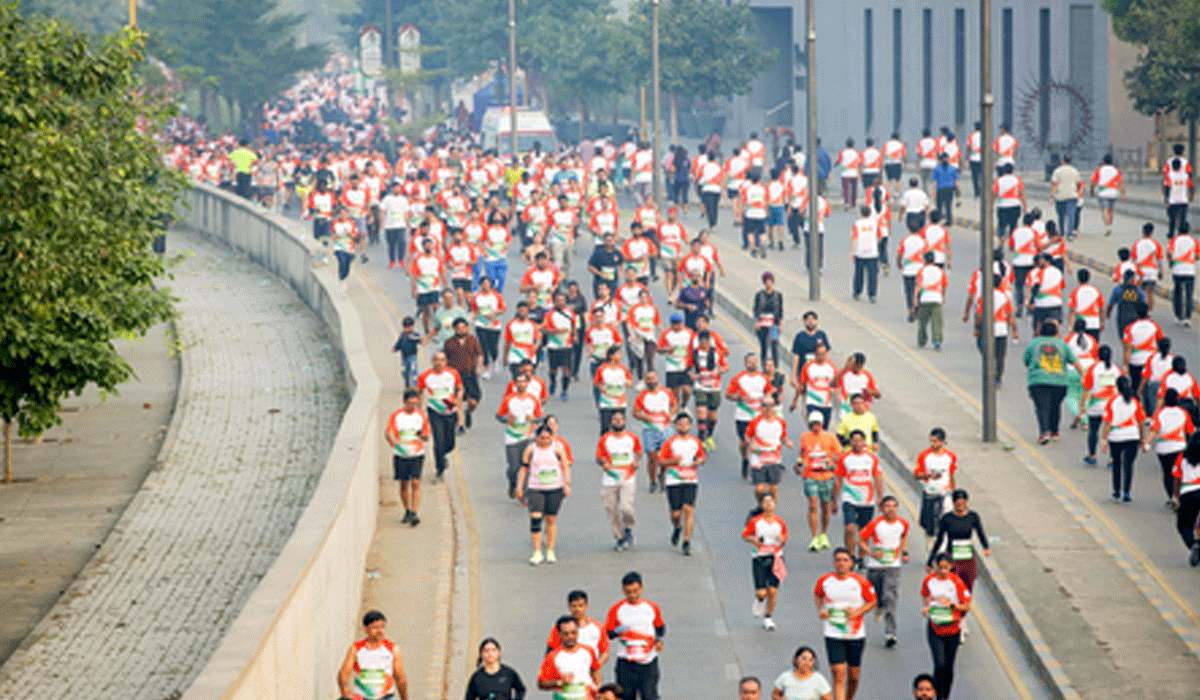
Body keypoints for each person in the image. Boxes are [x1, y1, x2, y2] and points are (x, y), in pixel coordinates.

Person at [926, 488, 990, 643]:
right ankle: (956, 623)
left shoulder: (973, 517)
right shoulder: (947, 519)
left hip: (968, 560)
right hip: (952, 560)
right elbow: (940, 539)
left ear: (967, 503)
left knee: (966, 592)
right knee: (954, 590)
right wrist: (931, 560)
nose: (960, 506)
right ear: (953, 503)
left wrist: (986, 547)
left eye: (963, 503)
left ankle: (963, 619)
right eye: (957, 503)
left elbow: (980, 532)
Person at [813, 548, 877, 700]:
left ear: (851, 563)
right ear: (834, 562)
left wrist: (858, 611)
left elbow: (873, 601)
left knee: (853, 676)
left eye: (845, 560)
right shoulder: (825, 580)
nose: (841, 563)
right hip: (833, 632)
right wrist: (821, 609)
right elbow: (817, 594)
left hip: (855, 634)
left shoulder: (860, 581)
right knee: (838, 672)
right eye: (838, 560)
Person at [604, 571, 666, 700]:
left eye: (635, 591)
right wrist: (616, 633)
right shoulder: (616, 609)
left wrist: (659, 640)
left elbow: (660, 628)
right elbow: (608, 633)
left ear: (641, 588)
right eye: (628, 592)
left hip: (648, 663)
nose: (632, 595)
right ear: (623, 590)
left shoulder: (651, 607)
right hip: (626, 663)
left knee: (650, 697)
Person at [516, 425, 572, 565]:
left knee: (550, 520)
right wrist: (519, 487)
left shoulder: (557, 449)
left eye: (548, 438)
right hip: (535, 488)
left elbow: (565, 466)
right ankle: (537, 552)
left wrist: (567, 484)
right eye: (542, 438)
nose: (545, 441)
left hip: (554, 488)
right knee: (535, 518)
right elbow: (523, 469)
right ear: (537, 437)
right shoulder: (531, 450)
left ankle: (550, 550)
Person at [921, 554, 972, 700]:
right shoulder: (929, 580)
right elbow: (925, 594)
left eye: (945, 567)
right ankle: (938, 695)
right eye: (940, 567)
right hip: (935, 629)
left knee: (948, 667)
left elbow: (966, 606)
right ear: (936, 566)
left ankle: (945, 696)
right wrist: (926, 607)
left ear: (951, 566)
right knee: (939, 665)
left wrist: (952, 605)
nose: (942, 570)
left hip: (953, 630)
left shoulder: (956, 582)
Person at [1023, 321, 1083, 445]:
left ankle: (1044, 432)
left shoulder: (1033, 344)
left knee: (1042, 407)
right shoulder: (1062, 345)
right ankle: (1055, 431)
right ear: (1056, 332)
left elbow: (1026, 362)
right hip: (1060, 381)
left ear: (1040, 332)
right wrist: (1085, 376)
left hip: (1038, 381)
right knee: (1055, 406)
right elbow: (1075, 362)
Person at [860, 495, 908, 648]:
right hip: (875, 566)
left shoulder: (903, 524)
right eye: (887, 506)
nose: (891, 509)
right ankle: (879, 605)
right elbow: (861, 541)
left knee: (891, 597)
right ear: (881, 508)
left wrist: (904, 551)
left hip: (893, 566)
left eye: (894, 506)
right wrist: (871, 553)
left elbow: (903, 536)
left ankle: (890, 633)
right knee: (876, 595)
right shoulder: (875, 524)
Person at [833, 431, 882, 566]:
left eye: (859, 440)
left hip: (867, 499)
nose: (857, 443)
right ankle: (851, 556)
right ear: (850, 442)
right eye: (854, 440)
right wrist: (834, 501)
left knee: (864, 531)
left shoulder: (871, 458)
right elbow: (838, 480)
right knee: (849, 528)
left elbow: (877, 477)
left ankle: (861, 557)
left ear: (864, 442)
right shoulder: (844, 458)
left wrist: (880, 496)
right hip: (849, 498)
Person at [659, 412, 705, 555]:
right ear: (675, 426)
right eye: (680, 424)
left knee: (688, 509)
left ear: (690, 425)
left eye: (686, 424)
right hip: (674, 480)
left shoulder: (695, 442)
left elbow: (702, 457)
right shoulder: (670, 442)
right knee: (676, 513)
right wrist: (673, 461)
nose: (683, 426)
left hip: (690, 479)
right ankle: (677, 528)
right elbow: (661, 461)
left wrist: (699, 461)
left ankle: (686, 541)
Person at [597, 411, 642, 551]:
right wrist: (603, 463)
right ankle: (620, 538)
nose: (618, 422)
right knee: (612, 511)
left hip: (627, 478)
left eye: (620, 419)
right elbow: (599, 457)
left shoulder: (631, 438)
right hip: (610, 479)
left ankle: (628, 528)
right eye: (615, 420)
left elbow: (638, 452)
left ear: (624, 421)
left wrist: (635, 461)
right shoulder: (605, 439)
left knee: (625, 507)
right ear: (611, 422)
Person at [338, 610, 408, 700]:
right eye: (375, 627)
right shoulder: (356, 649)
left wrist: (404, 698)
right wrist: (343, 687)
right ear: (365, 628)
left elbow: (400, 678)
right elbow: (344, 672)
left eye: (382, 627)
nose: (380, 631)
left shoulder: (393, 649)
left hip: (386, 697)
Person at [743, 493, 788, 631]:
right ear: (761, 505)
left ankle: (768, 617)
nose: (769, 504)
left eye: (771, 502)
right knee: (762, 592)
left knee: (773, 591)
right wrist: (754, 541)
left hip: (776, 558)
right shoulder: (756, 521)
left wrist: (782, 540)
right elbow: (745, 535)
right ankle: (760, 599)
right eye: (766, 502)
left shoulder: (780, 523)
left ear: (775, 504)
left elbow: (784, 540)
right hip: (759, 558)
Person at [797, 411, 841, 551]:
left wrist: (833, 465)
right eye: (812, 424)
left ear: (822, 424)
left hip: (826, 476)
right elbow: (802, 451)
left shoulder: (830, 437)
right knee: (813, 505)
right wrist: (799, 463)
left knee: (825, 506)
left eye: (817, 424)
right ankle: (814, 537)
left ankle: (823, 534)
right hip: (810, 475)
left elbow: (840, 455)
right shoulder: (805, 436)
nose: (815, 427)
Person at [386, 388, 431, 527]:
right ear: (404, 402)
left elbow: (426, 436)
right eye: (410, 403)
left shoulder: (421, 416)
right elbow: (388, 433)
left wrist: (421, 435)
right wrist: (393, 444)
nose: (412, 406)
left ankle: (414, 512)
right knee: (404, 484)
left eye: (415, 403)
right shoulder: (396, 416)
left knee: (416, 483)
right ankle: (407, 509)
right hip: (401, 455)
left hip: (417, 454)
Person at [418, 351, 464, 482]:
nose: (439, 362)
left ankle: (442, 457)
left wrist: (459, 398)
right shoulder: (425, 376)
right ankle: (439, 471)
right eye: (437, 359)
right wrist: (420, 409)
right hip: (434, 412)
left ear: (446, 362)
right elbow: (420, 391)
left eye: (442, 360)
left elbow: (460, 388)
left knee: (450, 443)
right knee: (438, 442)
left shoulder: (453, 374)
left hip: (450, 411)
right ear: (432, 361)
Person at [497, 374, 545, 499]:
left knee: (526, 466)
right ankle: (512, 484)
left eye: (523, 382)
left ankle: (523, 492)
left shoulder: (533, 400)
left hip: (528, 437)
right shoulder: (509, 399)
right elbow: (498, 415)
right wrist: (507, 420)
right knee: (513, 468)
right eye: (518, 382)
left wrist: (533, 419)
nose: (521, 384)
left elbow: (541, 417)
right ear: (515, 384)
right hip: (512, 438)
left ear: (527, 384)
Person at [1101, 375, 1147, 503]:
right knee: (1129, 465)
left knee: (1117, 464)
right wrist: (1142, 439)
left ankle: (1116, 492)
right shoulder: (1135, 402)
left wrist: (1104, 440)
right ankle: (1127, 493)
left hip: (1115, 438)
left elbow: (1107, 423)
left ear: (1117, 387)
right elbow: (1141, 422)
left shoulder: (1112, 401)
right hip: (1132, 436)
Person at [728, 353, 773, 480]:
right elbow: (728, 394)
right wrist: (738, 398)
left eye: (754, 361)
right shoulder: (738, 378)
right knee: (744, 443)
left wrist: (767, 402)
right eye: (750, 361)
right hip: (743, 416)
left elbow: (768, 391)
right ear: (745, 363)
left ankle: (756, 467)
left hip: (758, 417)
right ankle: (745, 459)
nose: (753, 363)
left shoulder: (763, 378)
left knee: (756, 442)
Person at [1146, 388, 1195, 507]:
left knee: (1167, 473)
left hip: (1163, 450)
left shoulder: (1160, 413)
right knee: (1179, 474)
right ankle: (1178, 496)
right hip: (1179, 448)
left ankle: (1170, 497)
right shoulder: (1183, 413)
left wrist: (1146, 443)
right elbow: (1190, 431)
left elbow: (1154, 430)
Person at [633, 371, 677, 494]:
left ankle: (662, 475)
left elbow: (674, 405)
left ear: (657, 378)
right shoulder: (642, 396)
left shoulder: (666, 392)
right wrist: (645, 417)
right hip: (650, 430)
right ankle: (653, 481)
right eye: (648, 379)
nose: (651, 380)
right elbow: (635, 412)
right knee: (652, 457)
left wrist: (671, 414)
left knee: (665, 456)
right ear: (646, 381)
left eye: (652, 378)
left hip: (665, 429)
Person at [538, 616, 601, 699]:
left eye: (573, 632)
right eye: (566, 634)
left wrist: (598, 686)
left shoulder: (588, 651)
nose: (570, 636)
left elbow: (595, 669)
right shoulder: (552, 656)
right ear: (559, 634)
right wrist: (560, 682)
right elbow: (541, 683)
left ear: (578, 631)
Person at [744, 396, 794, 501]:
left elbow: (783, 438)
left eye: (771, 405)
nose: (768, 408)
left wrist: (787, 443)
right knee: (759, 489)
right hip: (759, 460)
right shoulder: (755, 422)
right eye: (765, 405)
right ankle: (762, 506)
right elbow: (747, 436)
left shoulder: (780, 422)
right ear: (761, 407)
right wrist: (751, 444)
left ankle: (771, 510)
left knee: (773, 489)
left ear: (775, 407)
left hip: (774, 460)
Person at [546, 590, 611, 666]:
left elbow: (605, 652)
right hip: (567, 672)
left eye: (580, 606)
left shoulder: (598, 627)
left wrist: (596, 666)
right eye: (574, 606)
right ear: (569, 606)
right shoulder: (561, 627)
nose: (577, 609)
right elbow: (550, 651)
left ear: (586, 606)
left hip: (590, 674)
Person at [913, 428, 956, 542]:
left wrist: (954, 493)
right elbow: (916, 475)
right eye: (931, 441)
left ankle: (944, 554)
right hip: (930, 495)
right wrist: (928, 476)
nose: (933, 444)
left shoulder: (950, 456)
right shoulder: (924, 455)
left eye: (935, 441)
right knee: (929, 529)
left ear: (943, 441)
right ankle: (932, 553)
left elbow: (951, 474)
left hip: (945, 494)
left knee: (946, 525)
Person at [792, 340, 837, 428]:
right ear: (815, 354)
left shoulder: (831, 367)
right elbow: (801, 385)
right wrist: (795, 400)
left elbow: (835, 385)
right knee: (814, 429)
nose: (822, 356)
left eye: (824, 353)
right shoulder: (808, 367)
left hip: (826, 404)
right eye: (819, 354)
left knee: (824, 431)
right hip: (812, 403)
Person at [544, 292, 579, 401]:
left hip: (566, 346)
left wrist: (575, 336)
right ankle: (553, 381)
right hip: (553, 346)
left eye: (563, 300)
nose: (561, 302)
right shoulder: (549, 314)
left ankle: (564, 391)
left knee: (566, 370)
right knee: (553, 370)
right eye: (558, 300)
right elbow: (545, 330)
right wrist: (558, 331)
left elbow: (574, 326)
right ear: (554, 302)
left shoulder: (571, 313)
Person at [1173, 433, 1200, 566]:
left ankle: (1193, 545)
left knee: (1183, 525)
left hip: (1188, 494)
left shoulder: (1183, 456)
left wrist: (1176, 496)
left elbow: (1177, 477)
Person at [911, 251, 947, 350]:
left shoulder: (921, 271)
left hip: (925, 299)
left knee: (922, 322)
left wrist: (915, 299)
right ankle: (937, 341)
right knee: (937, 322)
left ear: (925, 260)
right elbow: (944, 286)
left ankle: (921, 341)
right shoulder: (940, 271)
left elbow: (918, 285)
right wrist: (943, 296)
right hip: (937, 299)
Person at [472, 276, 507, 378]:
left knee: (493, 348)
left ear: (490, 285)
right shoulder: (476, 296)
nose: (486, 286)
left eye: (487, 283)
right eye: (483, 284)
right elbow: (474, 309)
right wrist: (475, 315)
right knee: (483, 348)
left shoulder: (497, 296)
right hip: (481, 324)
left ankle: (495, 360)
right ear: (480, 285)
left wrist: (495, 313)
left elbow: (503, 309)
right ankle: (486, 368)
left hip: (494, 325)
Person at [595, 346, 634, 435]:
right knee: (605, 429)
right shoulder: (602, 369)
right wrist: (602, 389)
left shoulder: (623, 369)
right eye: (618, 354)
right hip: (606, 403)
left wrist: (628, 383)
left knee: (619, 428)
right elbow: (597, 382)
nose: (620, 356)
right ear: (611, 356)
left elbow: (630, 383)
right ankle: (604, 447)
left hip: (620, 403)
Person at [849, 205, 881, 303]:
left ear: (861, 213)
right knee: (872, 275)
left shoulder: (857, 224)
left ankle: (857, 292)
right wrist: (874, 244)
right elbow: (879, 236)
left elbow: (854, 238)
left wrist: (851, 251)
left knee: (859, 274)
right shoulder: (875, 224)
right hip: (872, 253)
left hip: (860, 252)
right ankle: (872, 295)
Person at [1090, 153, 1125, 237]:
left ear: (1103, 161)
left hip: (1103, 193)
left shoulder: (1099, 170)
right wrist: (1123, 193)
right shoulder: (1116, 170)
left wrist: (1092, 191)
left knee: (1104, 210)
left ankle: (1108, 227)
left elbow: (1093, 182)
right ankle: (1110, 224)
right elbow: (1120, 183)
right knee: (1111, 210)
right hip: (1113, 193)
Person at [1169, 220, 1197, 326]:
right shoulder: (1193, 241)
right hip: (1189, 270)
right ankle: (1187, 317)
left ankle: (1178, 316)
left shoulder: (1173, 240)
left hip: (1177, 270)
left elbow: (1170, 253)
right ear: (1189, 230)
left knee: (1178, 293)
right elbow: (1198, 255)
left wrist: (1170, 263)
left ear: (1178, 230)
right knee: (1189, 294)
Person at [503, 302, 542, 378]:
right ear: (517, 311)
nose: (522, 313)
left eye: (524, 311)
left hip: (528, 356)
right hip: (515, 355)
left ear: (527, 312)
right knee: (516, 379)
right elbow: (507, 342)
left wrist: (536, 346)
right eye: (521, 310)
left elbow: (538, 339)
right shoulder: (510, 324)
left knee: (528, 379)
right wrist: (505, 357)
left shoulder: (532, 325)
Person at [1049, 153, 1083, 239]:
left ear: (1062, 161)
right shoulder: (1075, 171)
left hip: (1060, 196)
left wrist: (1052, 196)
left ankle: (1062, 232)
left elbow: (1054, 185)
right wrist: (1077, 191)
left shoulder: (1057, 171)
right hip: (1072, 196)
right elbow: (1079, 183)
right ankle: (1070, 233)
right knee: (1071, 215)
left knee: (1061, 215)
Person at [1163, 144, 1194, 239]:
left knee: (1172, 218)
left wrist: (1166, 198)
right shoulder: (1186, 163)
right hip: (1183, 199)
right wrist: (1191, 195)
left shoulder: (1168, 162)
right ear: (1183, 151)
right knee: (1183, 218)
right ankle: (1182, 232)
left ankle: (1171, 233)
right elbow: (1190, 178)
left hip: (1172, 199)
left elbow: (1165, 180)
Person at [1106, 270, 1147, 340]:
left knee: (1124, 339)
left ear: (1124, 279)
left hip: (1122, 318)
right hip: (1135, 319)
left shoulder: (1118, 290)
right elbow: (1144, 307)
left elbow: (1111, 304)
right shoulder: (1139, 291)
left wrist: (1108, 313)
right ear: (1134, 280)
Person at [754, 272, 784, 366]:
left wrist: (780, 324)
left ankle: (775, 367)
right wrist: (757, 322)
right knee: (764, 346)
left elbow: (780, 310)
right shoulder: (759, 295)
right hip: (762, 323)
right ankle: (764, 366)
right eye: (766, 282)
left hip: (774, 324)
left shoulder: (778, 295)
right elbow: (755, 309)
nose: (768, 284)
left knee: (774, 346)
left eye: (770, 282)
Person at [587, 232, 625, 299]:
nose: (609, 242)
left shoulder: (617, 253)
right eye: (607, 240)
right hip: (600, 282)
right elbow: (589, 266)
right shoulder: (598, 253)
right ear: (604, 242)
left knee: (612, 301)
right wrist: (600, 273)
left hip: (613, 282)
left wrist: (620, 272)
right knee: (600, 302)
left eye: (611, 240)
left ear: (614, 241)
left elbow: (621, 264)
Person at [929, 153, 960, 226]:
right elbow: (956, 182)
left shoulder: (936, 169)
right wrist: (958, 191)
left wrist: (933, 191)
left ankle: (938, 220)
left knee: (939, 206)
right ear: (948, 159)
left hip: (940, 189)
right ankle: (949, 221)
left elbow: (934, 181)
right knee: (948, 206)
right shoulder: (953, 168)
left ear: (940, 160)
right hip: (950, 189)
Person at [393, 316, 422, 388]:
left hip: (412, 357)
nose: (407, 328)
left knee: (413, 371)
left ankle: (415, 384)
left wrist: (422, 341)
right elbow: (399, 342)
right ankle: (407, 383)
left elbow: (419, 339)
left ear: (412, 326)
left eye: (409, 326)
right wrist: (395, 348)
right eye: (405, 326)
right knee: (403, 371)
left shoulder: (415, 335)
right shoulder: (402, 335)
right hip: (404, 358)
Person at [836, 139, 861, 210]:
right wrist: (859, 174)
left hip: (845, 174)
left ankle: (847, 203)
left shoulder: (842, 152)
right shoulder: (856, 153)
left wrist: (835, 165)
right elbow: (859, 164)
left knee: (846, 190)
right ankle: (853, 204)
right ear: (853, 145)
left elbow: (838, 161)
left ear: (846, 144)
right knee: (854, 190)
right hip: (854, 173)